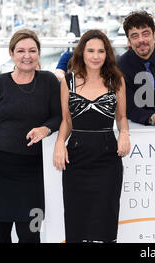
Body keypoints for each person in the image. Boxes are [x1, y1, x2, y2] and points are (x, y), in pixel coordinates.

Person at [0, 29, 62, 243]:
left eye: (32, 50)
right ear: (11, 53)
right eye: (20, 50)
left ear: (39, 53)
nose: (27, 55)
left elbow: (59, 116)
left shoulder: (48, 81)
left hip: (32, 173)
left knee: (31, 234)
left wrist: (45, 129)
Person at [53, 29, 130, 243]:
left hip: (107, 159)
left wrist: (124, 133)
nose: (96, 56)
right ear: (82, 53)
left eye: (101, 51)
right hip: (76, 158)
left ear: (107, 54)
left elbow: (122, 116)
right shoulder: (67, 82)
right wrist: (60, 142)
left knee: (105, 223)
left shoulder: (116, 80)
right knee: (76, 223)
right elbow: (67, 120)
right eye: (91, 51)